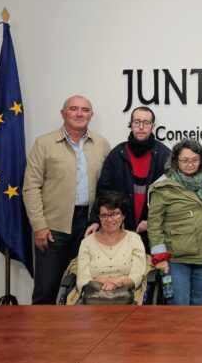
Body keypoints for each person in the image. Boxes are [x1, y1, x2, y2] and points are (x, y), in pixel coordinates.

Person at [23, 95, 110, 304]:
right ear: (63, 113)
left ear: (91, 115)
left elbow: (106, 188)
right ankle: (43, 336)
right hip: (53, 226)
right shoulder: (44, 143)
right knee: (47, 288)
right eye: (74, 109)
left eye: (85, 110)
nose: (80, 114)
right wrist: (39, 226)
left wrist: (99, 221)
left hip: (90, 225)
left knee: (84, 286)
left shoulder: (102, 144)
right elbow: (30, 187)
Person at [147, 138, 202, 306]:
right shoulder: (163, 187)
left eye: (194, 160)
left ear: (201, 161)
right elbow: (154, 226)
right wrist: (160, 257)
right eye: (185, 160)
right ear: (175, 161)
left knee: (199, 304)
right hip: (176, 259)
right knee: (179, 306)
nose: (190, 164)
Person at [89, 106, 170, 249]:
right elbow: (104, 192)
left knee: (150, 270)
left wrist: (151, 221)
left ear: (153, 126)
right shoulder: (117, 154)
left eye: (146, 123)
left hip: (154, 231)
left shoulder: (165, 155)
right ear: (130, 124)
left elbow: (171, 196)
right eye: (137, 122)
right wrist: (96, 220)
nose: (141, 127)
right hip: (121, 230)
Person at [76, 190, 147, 302]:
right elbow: (82, 278)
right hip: (93, 296)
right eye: (104, 215)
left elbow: (137, 274)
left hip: (127, 296)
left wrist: (120, 283)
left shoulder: (134, 239)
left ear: (123, 215)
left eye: (115, 214)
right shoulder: (87, 243)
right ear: (98, 217)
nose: (109, 220)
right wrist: (104, 282)